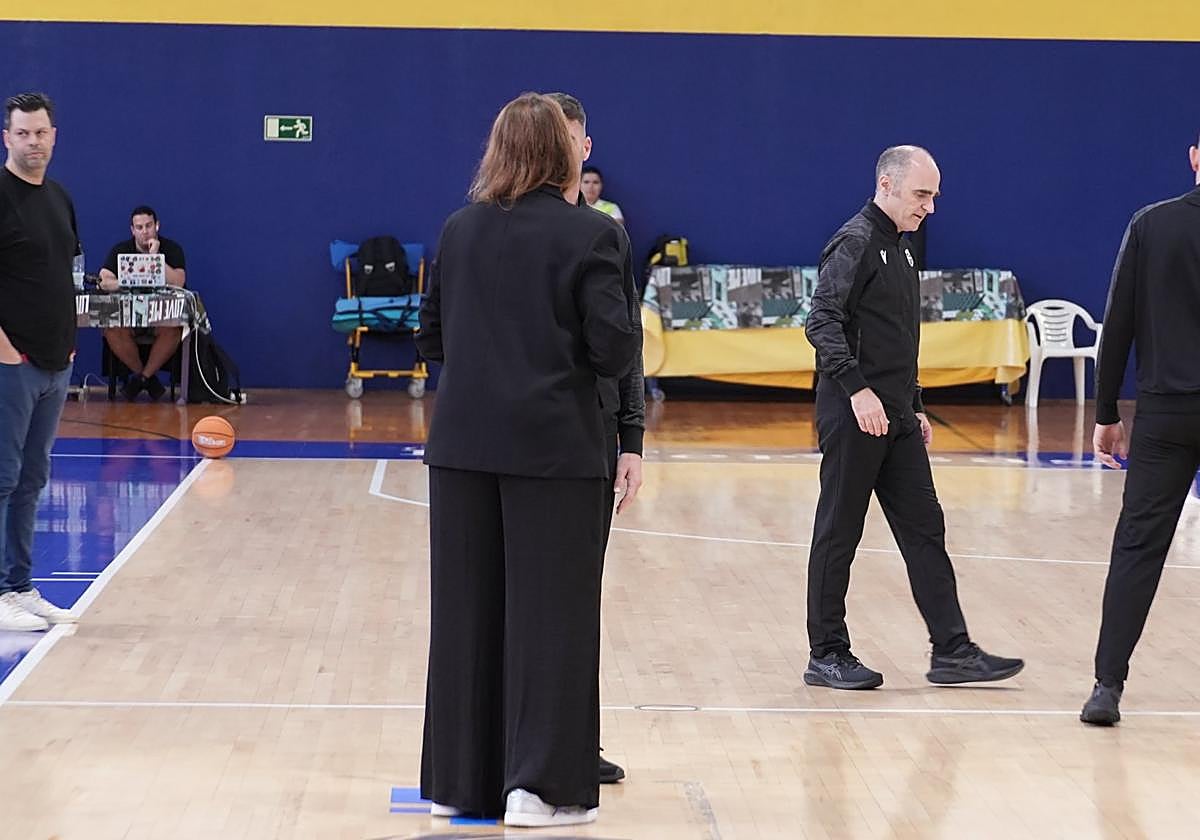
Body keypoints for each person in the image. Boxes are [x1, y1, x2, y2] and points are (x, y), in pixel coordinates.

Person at [416, 93, 641, 827]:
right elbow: (614, 349)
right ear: (561, 150)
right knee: (554, 621)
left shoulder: (458, 228)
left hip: (462, 450)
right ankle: (537, 788)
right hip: (556, 451)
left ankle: (461, 781)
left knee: (466, 617)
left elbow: (432, 341)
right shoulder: (591, 236)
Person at [803, 145, 1023, 690]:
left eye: (933, 196)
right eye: (922, 194)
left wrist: (915, 402)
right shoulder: (855, 241)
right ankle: (826, 653)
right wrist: (857, 392)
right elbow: (821, 321)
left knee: (926, 530)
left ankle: (953, 650)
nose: (930, 207)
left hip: (897, 416)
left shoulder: (901, 250)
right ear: (886, 185)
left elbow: (897, 338)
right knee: (839, 532)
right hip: (856, 415)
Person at [1080, 134, 1200, 726]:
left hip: (1166, 413)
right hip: (1168, 412)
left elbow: (1118, 323)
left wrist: (1106, 414)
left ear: (1195, 158)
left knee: (1137, 547)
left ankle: (1106, 687)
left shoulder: (1151, 225)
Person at [548, 90, 643, 786]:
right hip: (536, 436)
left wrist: (632, 437)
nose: (569, 150)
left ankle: (579, 739)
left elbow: (627, 346)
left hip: (595, 436)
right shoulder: (501, 230)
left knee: (581, 598)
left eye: (576, 139)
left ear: (586, 147)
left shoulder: (606, 235)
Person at [0, 92, 80, 631]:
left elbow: (62, 272)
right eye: (23, 133)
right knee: (3, 477)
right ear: (7, 137)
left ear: (54, 136)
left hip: (57, 362)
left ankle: (18, 585)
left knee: (33, 478)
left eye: (41, 133)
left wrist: (69, 341)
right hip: (12, 361)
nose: (33, 142)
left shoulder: (60, 197)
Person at [98, 205, 187, 400]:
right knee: (110, 328)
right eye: (139, 227)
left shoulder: (172, 249)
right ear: (132, 230)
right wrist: (127, 280)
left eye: (149, 226)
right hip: (129, 318)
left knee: (174, 328)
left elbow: (179, 281)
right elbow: (103, 280)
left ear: (157, 226)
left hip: (159, 318)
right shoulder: (120, 250)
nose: (145, 232)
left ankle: (141, 379)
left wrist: (155, 258)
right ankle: (146, 378)